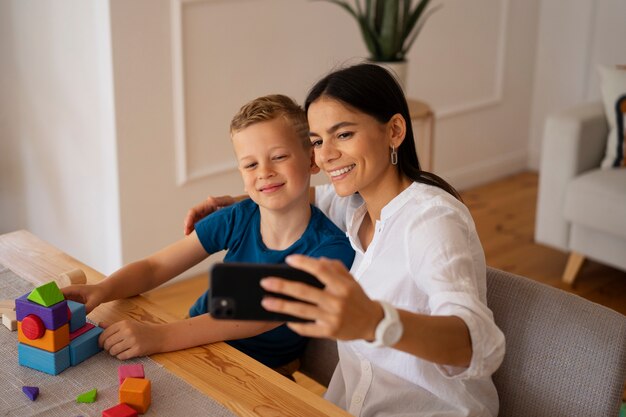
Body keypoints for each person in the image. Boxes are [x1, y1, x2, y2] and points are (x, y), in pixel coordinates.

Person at [183, 64, 505, 416]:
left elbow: (477, 345)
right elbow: (300, 192)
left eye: (344, 135)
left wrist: (376, 322)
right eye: (317, 141)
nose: (325, 156)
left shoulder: (431, 221)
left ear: (395, 130)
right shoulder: (352, 203)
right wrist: (235, 202)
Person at [62, 94, 355, 376]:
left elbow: (257, 317)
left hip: (256, 371)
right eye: (251, 164)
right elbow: (155, 267)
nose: (264, 172)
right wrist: (102, 290)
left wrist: (159, 337)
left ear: (312, 160)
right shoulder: (237, 216)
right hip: (193, 339)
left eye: (278, 156)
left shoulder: (331, 251)